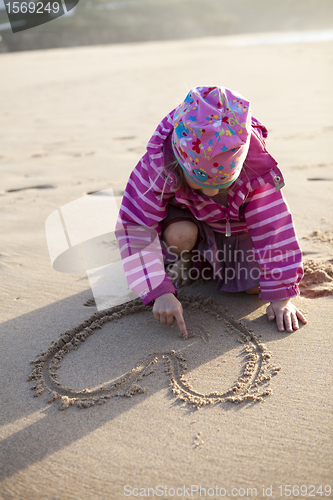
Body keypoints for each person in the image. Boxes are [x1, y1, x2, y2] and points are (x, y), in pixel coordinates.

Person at [116, 86, 307, 335]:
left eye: (222, 185)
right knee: (179, 236)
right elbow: (136, 226)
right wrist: (158, 291)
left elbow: (273, 227)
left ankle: (207, 262)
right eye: (202, 184)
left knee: (253, 289)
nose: (210, 193)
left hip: (233, 228)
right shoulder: (158, 167)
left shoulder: (256, 169)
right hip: (189, 219)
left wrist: (282, 296)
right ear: (179, 161)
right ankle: (187, 257)